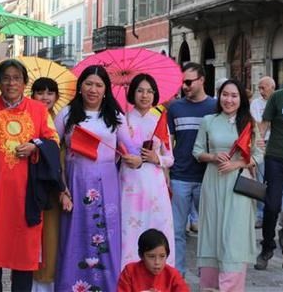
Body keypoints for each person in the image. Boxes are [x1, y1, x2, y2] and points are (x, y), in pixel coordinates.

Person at [0, 59, 59, 292]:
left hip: (25, 194)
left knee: (23, 258)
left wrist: (35, 145)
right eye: (6, 78)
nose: (11, 82)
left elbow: (53, 140)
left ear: (25, 82)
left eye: (16, 78)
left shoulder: (38, 110)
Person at [53, 65, 135, 292]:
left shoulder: (115, 116)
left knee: (105, 234)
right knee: (74, 234)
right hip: (75, 181)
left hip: (107, 183)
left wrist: (142, 155)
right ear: (80, 88)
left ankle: (106, 286)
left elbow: (130, 148)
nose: (93, 89)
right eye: (88, 84)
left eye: (99, 85)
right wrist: (61, 187)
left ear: (106, 90)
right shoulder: (67, 114)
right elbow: (52, 146)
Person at [192, 79, 263, 290]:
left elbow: (259, 154)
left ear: (241, 99)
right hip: (213, 182)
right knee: (212, 233)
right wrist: (213, 156)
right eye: (225, 94)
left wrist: (237, 164)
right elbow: (196, 151)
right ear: (219, 96)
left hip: (239, 185)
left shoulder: (248, 123)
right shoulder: (209, 120)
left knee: (233, 236)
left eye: (234, 96)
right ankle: (210, 286)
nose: (229, 100)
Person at [120, 74, 175, 268]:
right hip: (130, 183)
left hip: (155, 186)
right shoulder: (122, 121)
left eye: (149, 91)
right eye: (140, 90)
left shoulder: (159, 121)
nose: (145, 95)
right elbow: (114, 153)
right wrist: (125, 156)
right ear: (132, 93)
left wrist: (155, 158)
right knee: (130, 229)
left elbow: (170, 158)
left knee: (157, 227)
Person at [167, 62, 217, 276]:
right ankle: (178, 274)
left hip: (208, 176)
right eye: (182, 82)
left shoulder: (215, 107)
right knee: (177, 230)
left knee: (209, 229)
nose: (185, 86)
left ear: (202, 80)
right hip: (180, 176)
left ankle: (206, 272)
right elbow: (168, 142)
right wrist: (167, 174)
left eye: (188, 82)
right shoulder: (175, 108)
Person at [30, 77, 70, 292]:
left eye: (50, 93)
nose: (45, 97)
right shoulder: (28, 116)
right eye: (40, 92)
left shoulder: (62, 118)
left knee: (53, 235)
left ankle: (51, 281)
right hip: (33, 183)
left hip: (56, 183)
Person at [256, 64, 283, 271]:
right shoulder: (277, 97)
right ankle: (267, 247)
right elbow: (264, 125)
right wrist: (257, 145)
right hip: (275, 158)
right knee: (272, 206)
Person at [117, 229, 189, 292]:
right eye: (151, 256)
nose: (157, 262)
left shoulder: (172, 275)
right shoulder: (130, 272)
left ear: (167, 255)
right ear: (141, 255)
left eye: (162, 256)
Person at [251, 76, 276, 228]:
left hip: (276, 145)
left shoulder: (279, 101)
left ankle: (275, 213)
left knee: (276, 182)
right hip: (260, 144)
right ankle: (260, 215)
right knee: (260, 181)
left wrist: (267, 123)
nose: (261, 91)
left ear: (272, 87)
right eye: (259, 88)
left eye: (263, 88)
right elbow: (256, 125)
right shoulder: (256, 103)